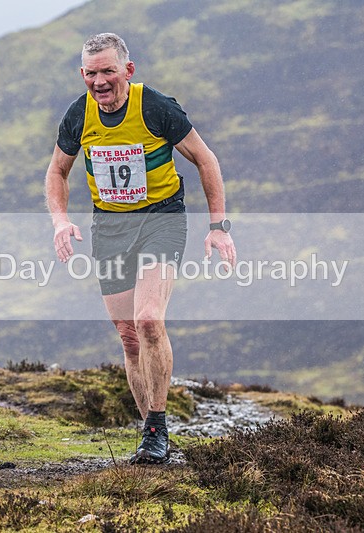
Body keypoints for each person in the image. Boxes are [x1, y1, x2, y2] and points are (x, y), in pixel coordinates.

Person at [45, 33, 236, 464]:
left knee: (149, 320)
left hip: (160, 220)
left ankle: (158, 426)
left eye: (108, 71)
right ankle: (151, 437)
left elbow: (206, 160)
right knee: (129, 337)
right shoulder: (79, 115)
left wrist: (219, 227)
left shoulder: (155, 107)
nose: (99, 81)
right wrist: (60, 220)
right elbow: (57, 171)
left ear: (127, 71)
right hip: (110, 227)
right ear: (82, 75)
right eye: (91, 73)